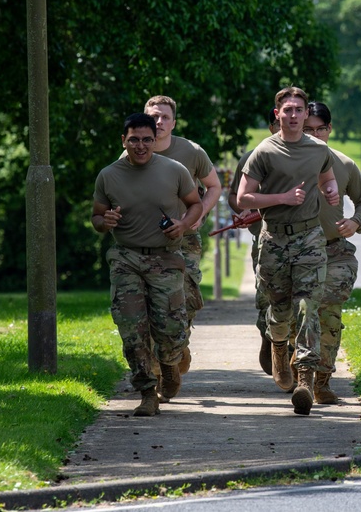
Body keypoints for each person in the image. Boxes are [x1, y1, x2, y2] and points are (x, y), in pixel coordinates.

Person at [237, 86, 339, 416]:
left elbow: (326, 177)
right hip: (274, 240)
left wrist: (331, 190)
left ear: (306, 114)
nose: (294, 115)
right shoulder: (264, 152)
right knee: (279, 310)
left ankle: (305, 380)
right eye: (288, 110)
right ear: (278, 113)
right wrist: (281, 198)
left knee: (308, 306)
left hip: (309, 237)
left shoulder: (317, 149)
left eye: (299, 110)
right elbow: (243, 198)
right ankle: (279, 348)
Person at [92, 113, 202, 417]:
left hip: (165, 259)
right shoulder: (108, 175)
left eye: (146, 139)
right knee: (132, 329)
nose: (140, 146)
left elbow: (195, 204)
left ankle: (169, 364)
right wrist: (105, 221)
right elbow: (97, 217)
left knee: (170, 329)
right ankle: (146, 391)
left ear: (155, 140)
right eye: (133, 140)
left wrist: (183, 225)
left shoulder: (174, 170)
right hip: (126, 258)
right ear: (124, 141)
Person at [142, 95, 223, 376]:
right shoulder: (134, 152)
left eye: (165, 117)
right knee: (151, 303)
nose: (159, 122)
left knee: (185, 300)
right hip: (146, 241)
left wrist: (198, 216)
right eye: (154, 116)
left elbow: (214, 186)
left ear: (173, 122)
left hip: (184, 240)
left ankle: (179, 345)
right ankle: (160, 367)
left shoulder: (191, 152)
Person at [302, 101, 361, 404]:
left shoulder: (344, 164)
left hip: (335, 252)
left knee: (326, 312)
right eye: (308, 130)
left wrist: (356, 222)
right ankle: (294, 367)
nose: (315, 136)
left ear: (330, 129)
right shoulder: (284, 161)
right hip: (295, 252)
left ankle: (320, 381)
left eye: (321, 129)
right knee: (298, 315)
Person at [226, 109, 280, 376]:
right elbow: (235, 197)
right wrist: (243, 211)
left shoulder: (311, 158)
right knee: (266, 298)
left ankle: (292, 357)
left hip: (304, 240)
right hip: (265, 240)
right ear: (271, 127)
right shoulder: (252, 158)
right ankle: (268, 336)